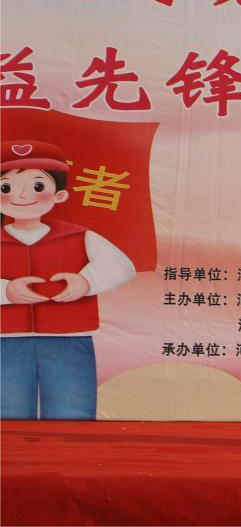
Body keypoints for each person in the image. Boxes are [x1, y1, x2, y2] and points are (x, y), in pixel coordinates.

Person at [1, 139, 137, 419]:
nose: (21, 196)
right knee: (7, 414)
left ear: (60, 195)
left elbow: (121, 266)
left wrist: (85, 282)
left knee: (72, 411)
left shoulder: (78, 236)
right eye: (6, 188)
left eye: (37, 186)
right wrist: (6, 291)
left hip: (68, 338)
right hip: (5, 339)